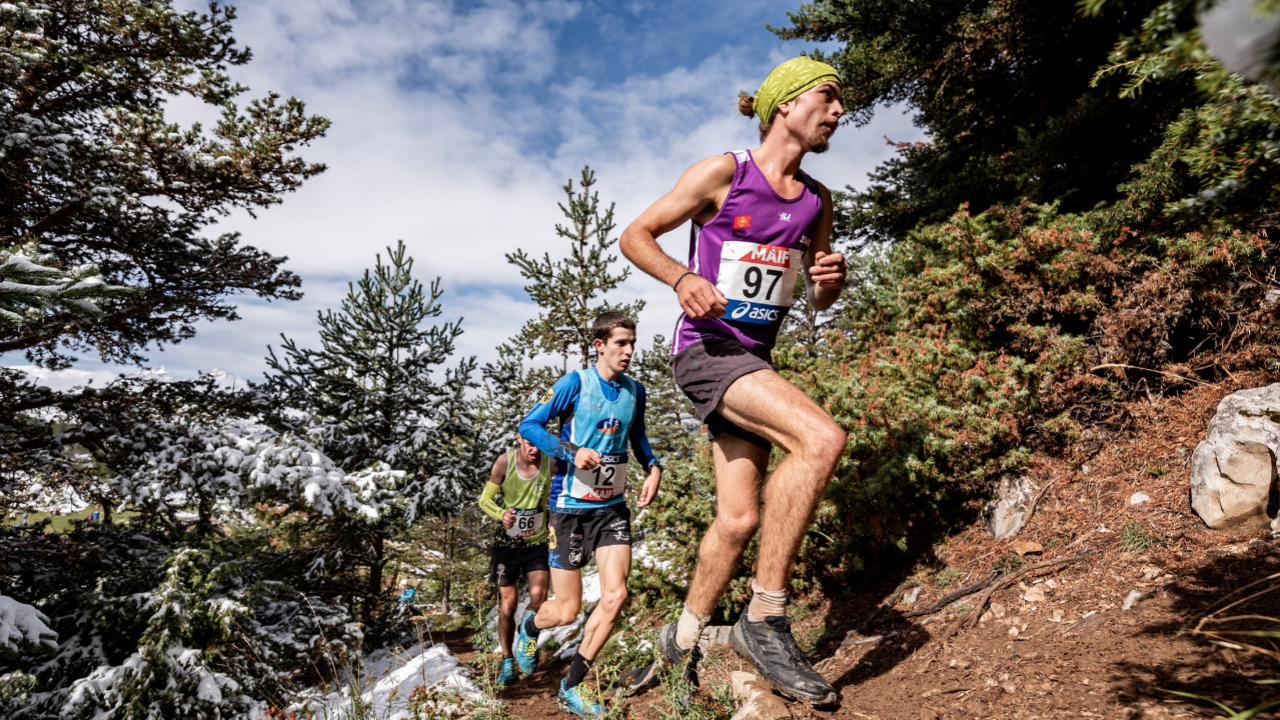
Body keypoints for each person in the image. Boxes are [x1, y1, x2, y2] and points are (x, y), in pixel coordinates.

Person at [617, 56, 849, 706]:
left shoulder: (816, 201)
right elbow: (636, 235)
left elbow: (816, 298)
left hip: (754, 366)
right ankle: (764, 617)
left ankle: (681, 642)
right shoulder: (724, 173)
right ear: (786, 104)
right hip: (706, 353)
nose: (838, 112)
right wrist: (683, 278)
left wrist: (830, 286)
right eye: (827, 98)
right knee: (821, 440)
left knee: (738, 518)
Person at [513, 312, 663, 718]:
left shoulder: (636, 390)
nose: (630, 351)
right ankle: (529, 628)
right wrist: (570, 451)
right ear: (600, 345)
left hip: (611, 508)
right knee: (567, 610)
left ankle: (572, 685)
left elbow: (638, 436)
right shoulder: (575, 383)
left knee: (617, 595)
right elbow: (530, 425)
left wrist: (654, 467)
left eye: (633, 343)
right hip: (570, 508)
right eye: (621, 344)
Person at [477, 434, 553, 688]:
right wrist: (502, 514)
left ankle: (527, 638)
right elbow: (484, 500)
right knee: (508, 605)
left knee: (538, 599)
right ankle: (507, 659)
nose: (535, 450)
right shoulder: (504, 462)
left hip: (537, 545)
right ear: (520, 439)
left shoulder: (550, 463)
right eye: (530, 444)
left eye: (540, 444)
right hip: (506, 546)